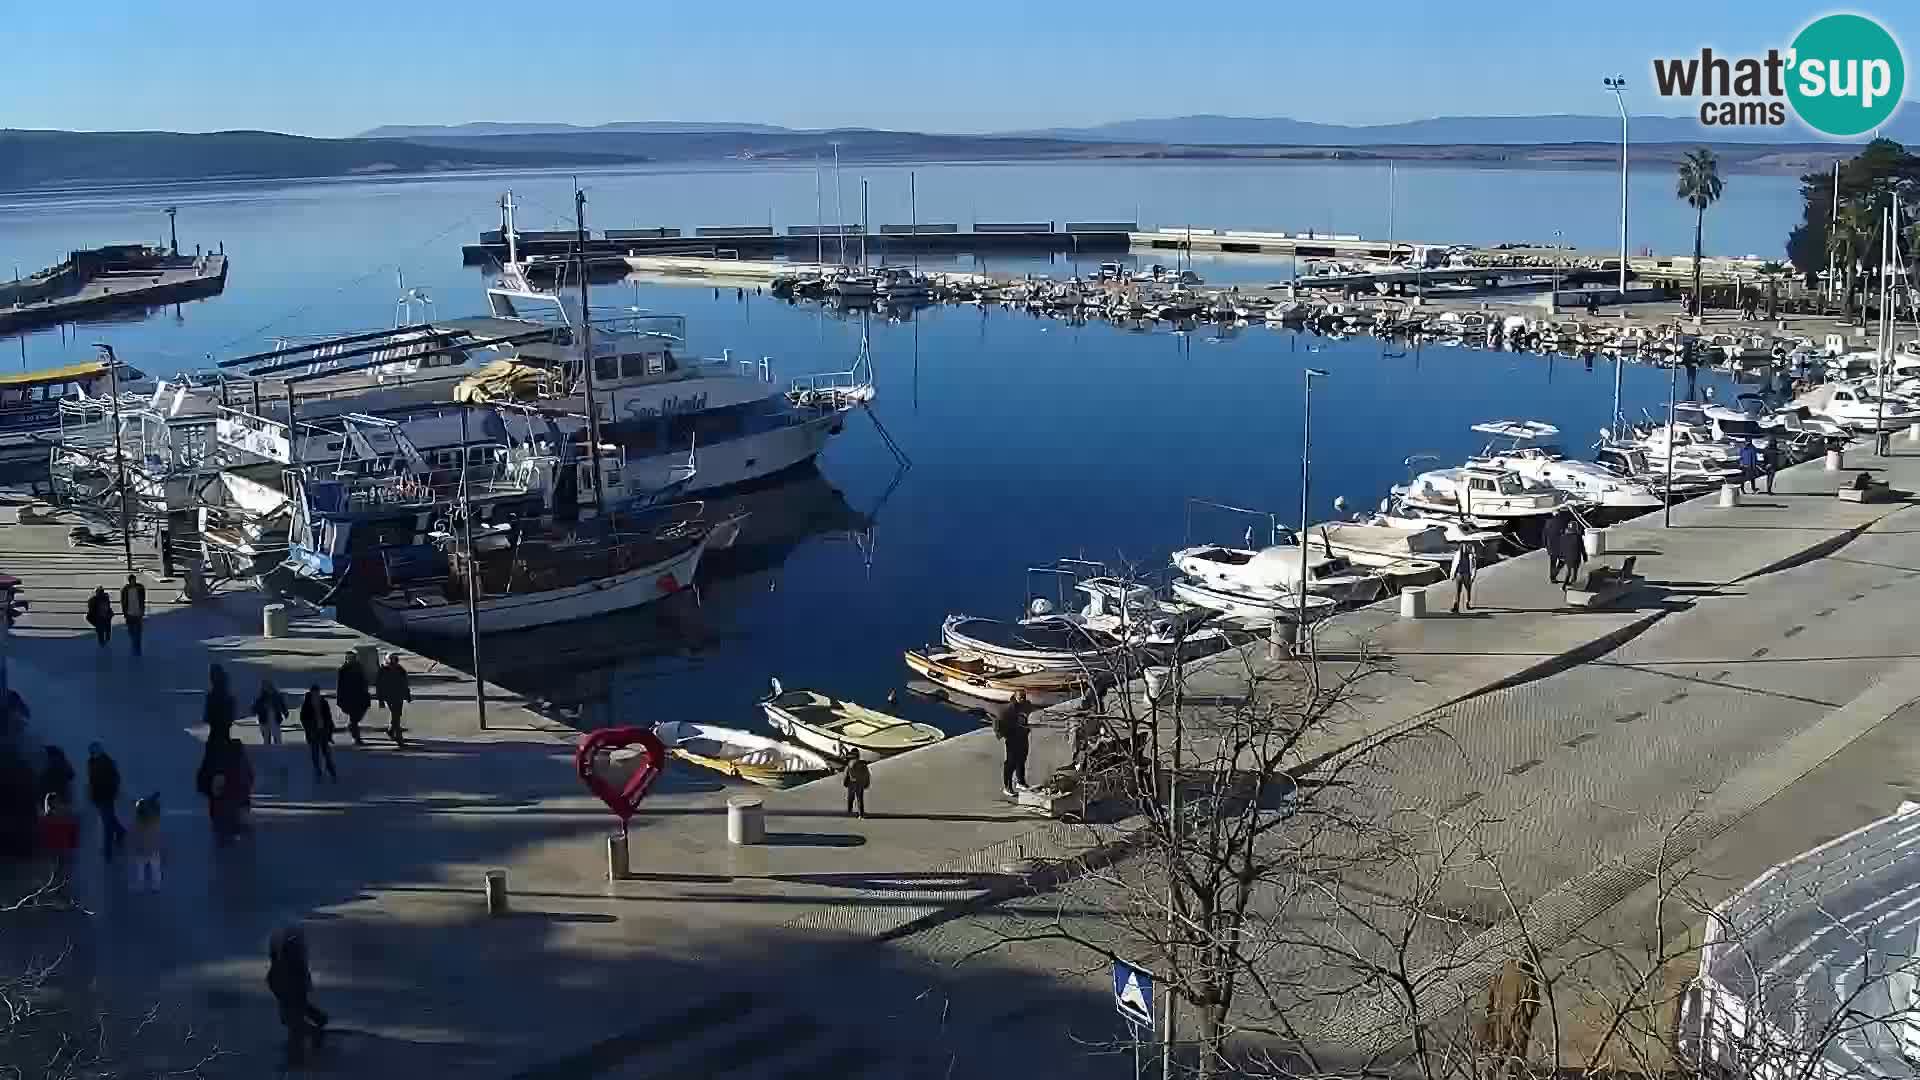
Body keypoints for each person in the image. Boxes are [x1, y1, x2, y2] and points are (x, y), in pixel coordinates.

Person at [266, 926, 328, 1067]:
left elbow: (295, 974)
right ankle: (316, 1025)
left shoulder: (288, 956)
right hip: (291, 989)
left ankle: (302, 1051)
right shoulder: (287, 955)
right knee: (293, 1021)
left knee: (293, 1022)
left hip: (291, 989)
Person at [86, 742, 125, 859]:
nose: (93, 754)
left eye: (94, 752)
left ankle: (108, 849)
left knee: (107, 822)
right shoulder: (91, 762)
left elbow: (116, 778)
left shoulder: (107, 762)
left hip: (106, 796)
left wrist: (113, 791)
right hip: (99, 796)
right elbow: (92, 780)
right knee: (109, 818)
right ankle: (120, 831)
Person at [995, 693, 1033, 796]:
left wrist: (1027, 728)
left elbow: (1028, 716)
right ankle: (1007, 787)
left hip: (1023, 737)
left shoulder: (1027, 705)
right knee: (1011, 763)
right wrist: (1002, 734)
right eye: (1020, 697)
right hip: (1013, 739)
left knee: (1022, 759)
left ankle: (1020, 782)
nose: (1022, 699)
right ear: (1015, 697)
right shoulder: (1009, 708)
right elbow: (998, 720)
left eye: (1024, 697)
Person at [300, 685, 337, 782]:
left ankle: (331, 770)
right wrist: (309, 728)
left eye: (317, 693)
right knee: (315, 753)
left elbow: (328, 717)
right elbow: (303, 718)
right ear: (311, 693)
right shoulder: (307, 704)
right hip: (313, 733)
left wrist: (330, 729)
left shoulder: (324, 703)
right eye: (314, 693)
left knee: (326, 753)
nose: (316, 695)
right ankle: (317, 771)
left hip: (323, 731)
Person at [375, 653, 411, 747]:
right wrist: (381, 700)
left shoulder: (400, 669)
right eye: (391, 660)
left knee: (397, 715)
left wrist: (407, 695)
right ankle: (399, 739)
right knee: (396, 717)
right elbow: (379, 687)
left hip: (399, 696)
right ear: (387, 661)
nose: (393, 663)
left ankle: (391, 731)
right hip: (389, 697)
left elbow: (405, 683)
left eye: (395, 660)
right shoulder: (383, 670)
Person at [129, 793, 163, 892]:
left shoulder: (138, 823)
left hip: (141, 849)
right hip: (154, 848)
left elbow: (133, 836)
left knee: (140, 868)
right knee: (155, 868)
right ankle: (156, 886)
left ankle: (140, 885)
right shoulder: (155, 820)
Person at [335, 654, 371, 746]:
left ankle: (351, 727)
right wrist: (339, 699)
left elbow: (365, 681)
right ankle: (357, 738)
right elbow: (340, 686)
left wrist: (366, 694)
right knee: (354, 719)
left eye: (353, 658)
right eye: (349, 658)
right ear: (346, 659)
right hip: (349, 698)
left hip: (360, 696)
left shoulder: (359, 667)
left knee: (358, 716)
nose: (351, 660)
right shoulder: (343, 670)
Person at [204, 663, 235, 742]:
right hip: (224, 735)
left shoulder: (212, 696)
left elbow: (208, 717)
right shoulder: (228, 696)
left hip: (217, 735)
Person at [254, 679, 288, 747]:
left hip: (274, 718)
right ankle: (269, 751)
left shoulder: (276, 695)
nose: (266, 687)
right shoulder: (261, 697)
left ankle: (277, 750)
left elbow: (281, 704)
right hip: (264, 720)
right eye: (265, 686)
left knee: (277, 738)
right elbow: (256, 708)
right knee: (267, 739)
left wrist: (285, 712)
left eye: (267, 686)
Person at [119, 573, 146, 656]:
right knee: (131, 631)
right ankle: (134, 642)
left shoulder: (140, 587)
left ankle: (137, 646)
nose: (133, 582)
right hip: (129, 613)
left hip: (138, 613)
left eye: (134, 580)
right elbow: (123, 602)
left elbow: (143, 598)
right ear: (129, 581)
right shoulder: (125, 589)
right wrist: (125, 613)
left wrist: (142, 610)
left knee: (138, 631)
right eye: (132, 581)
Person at [1558, 518, 1587, 591]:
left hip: (1567, 557)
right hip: (1576, 557)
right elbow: (1582, 548)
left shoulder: (1563, 536)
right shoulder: (1578, 536)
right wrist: (1585, 557)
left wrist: (1561, 556)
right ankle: (1572, 586)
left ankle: (1564, 586)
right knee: (1575, 573)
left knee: (1568, 572)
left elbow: (1561, 547)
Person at [841, 746, 870, 818]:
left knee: (850, 798)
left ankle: (850, 811)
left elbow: (846, 773)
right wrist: (866, 783)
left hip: (852, 783)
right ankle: (861, 814)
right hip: (860, 783)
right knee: (860, 799)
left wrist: (845, 782)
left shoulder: (850, 763)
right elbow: (867, 774)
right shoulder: (863, 764)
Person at [1449, 543, 1477, 613]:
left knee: (1468, 589)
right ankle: (1456, 606)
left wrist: (1473, 576)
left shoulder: (1471, 555)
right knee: (1457, 591)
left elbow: (1474, 567)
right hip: (1459, 574)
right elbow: (1454, 564)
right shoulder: (1458, 554)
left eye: (1466, 547)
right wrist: (1452, 574)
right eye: (1463, 547)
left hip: (1467, 574)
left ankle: (1467, 602)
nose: (1465, 549)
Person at [1542, 511, 1567, 584]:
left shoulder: (1548, 522)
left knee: (1553, 563)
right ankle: (1554, 575)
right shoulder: (1562, 522)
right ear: (1558, 515)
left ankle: (1552, 578)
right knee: (1562, 561)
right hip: (1560, 546)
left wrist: (1545, 545)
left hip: (1551, 546)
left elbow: (1544, 534)